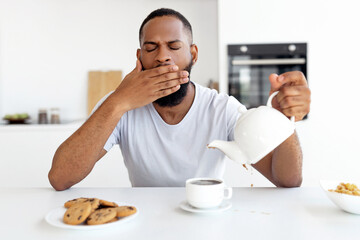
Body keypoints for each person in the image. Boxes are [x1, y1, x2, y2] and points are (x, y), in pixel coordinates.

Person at [48, 8, 311, 190]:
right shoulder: (119, 105)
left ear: (193, 54)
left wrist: (283, 121)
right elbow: (60, 178)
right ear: (139, 58)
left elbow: (286, 180)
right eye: (151, 48)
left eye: (174, 47)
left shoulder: (222, 108)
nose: (163, 57)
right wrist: (119, 102)